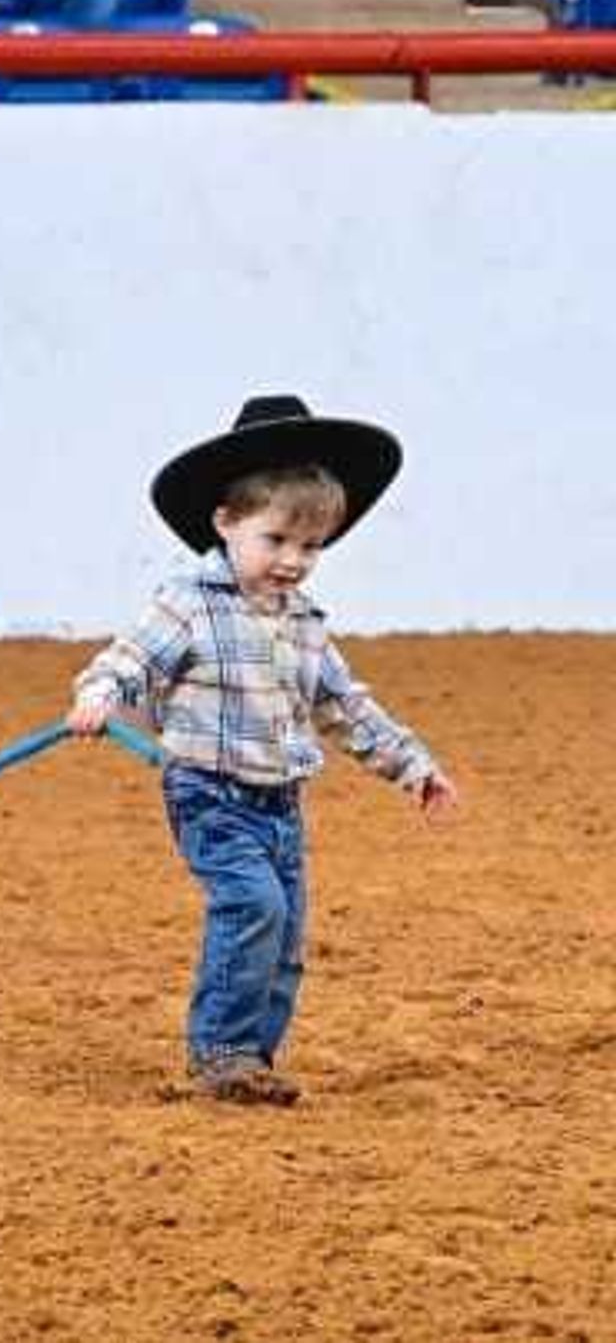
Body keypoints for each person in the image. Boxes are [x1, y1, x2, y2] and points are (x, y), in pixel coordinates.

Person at [67, 396, 461, 1107]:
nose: (294, 562)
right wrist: (100, 694)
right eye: (276, 539)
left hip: (279, 802)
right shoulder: (188, 603)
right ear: (226, 524)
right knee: (252, 905)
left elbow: (345, 706)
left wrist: (413, 764)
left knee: (285, 939)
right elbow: (130, 658)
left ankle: (252, 1058)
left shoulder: (306, 623)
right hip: (209, 792)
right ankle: (218, 1052)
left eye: (310, 547)